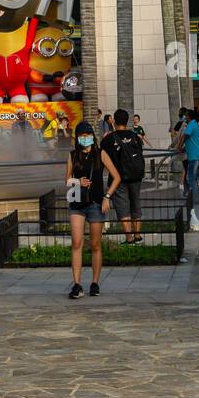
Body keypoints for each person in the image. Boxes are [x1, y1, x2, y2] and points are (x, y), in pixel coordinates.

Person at [65, 119, 121, 299]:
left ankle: (95, 282)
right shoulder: (73, 155)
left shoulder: (100, 154)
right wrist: (77, 181)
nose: (85, 139)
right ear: (77, 138)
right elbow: (66, 180)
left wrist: (107, 197)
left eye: (87, 135)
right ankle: (76, 284)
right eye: (81, 136)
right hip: (77, 203)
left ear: (92, 137)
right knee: (76, 242)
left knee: (96, 245)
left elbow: (116, 177)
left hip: (96, 202)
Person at [101, 109, 145, 244]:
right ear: (127, 121)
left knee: (122, 207)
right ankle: (137, 236)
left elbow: (102, 156)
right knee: (135, 204)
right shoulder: (135, 136)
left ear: (114, 121)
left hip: (118, 178)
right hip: (136, 176)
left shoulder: (109, 139)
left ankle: (129, 238)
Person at [180, 108, 199, 206]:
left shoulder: (191, 124)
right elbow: (193, 141)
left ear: (189, 117)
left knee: (191, 178)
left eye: (186, 115)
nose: (185, 116)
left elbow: (185, 136)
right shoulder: (196, 125)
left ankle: (195, 198)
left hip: (194, 157)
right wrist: (184, 149)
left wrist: (179, 147)